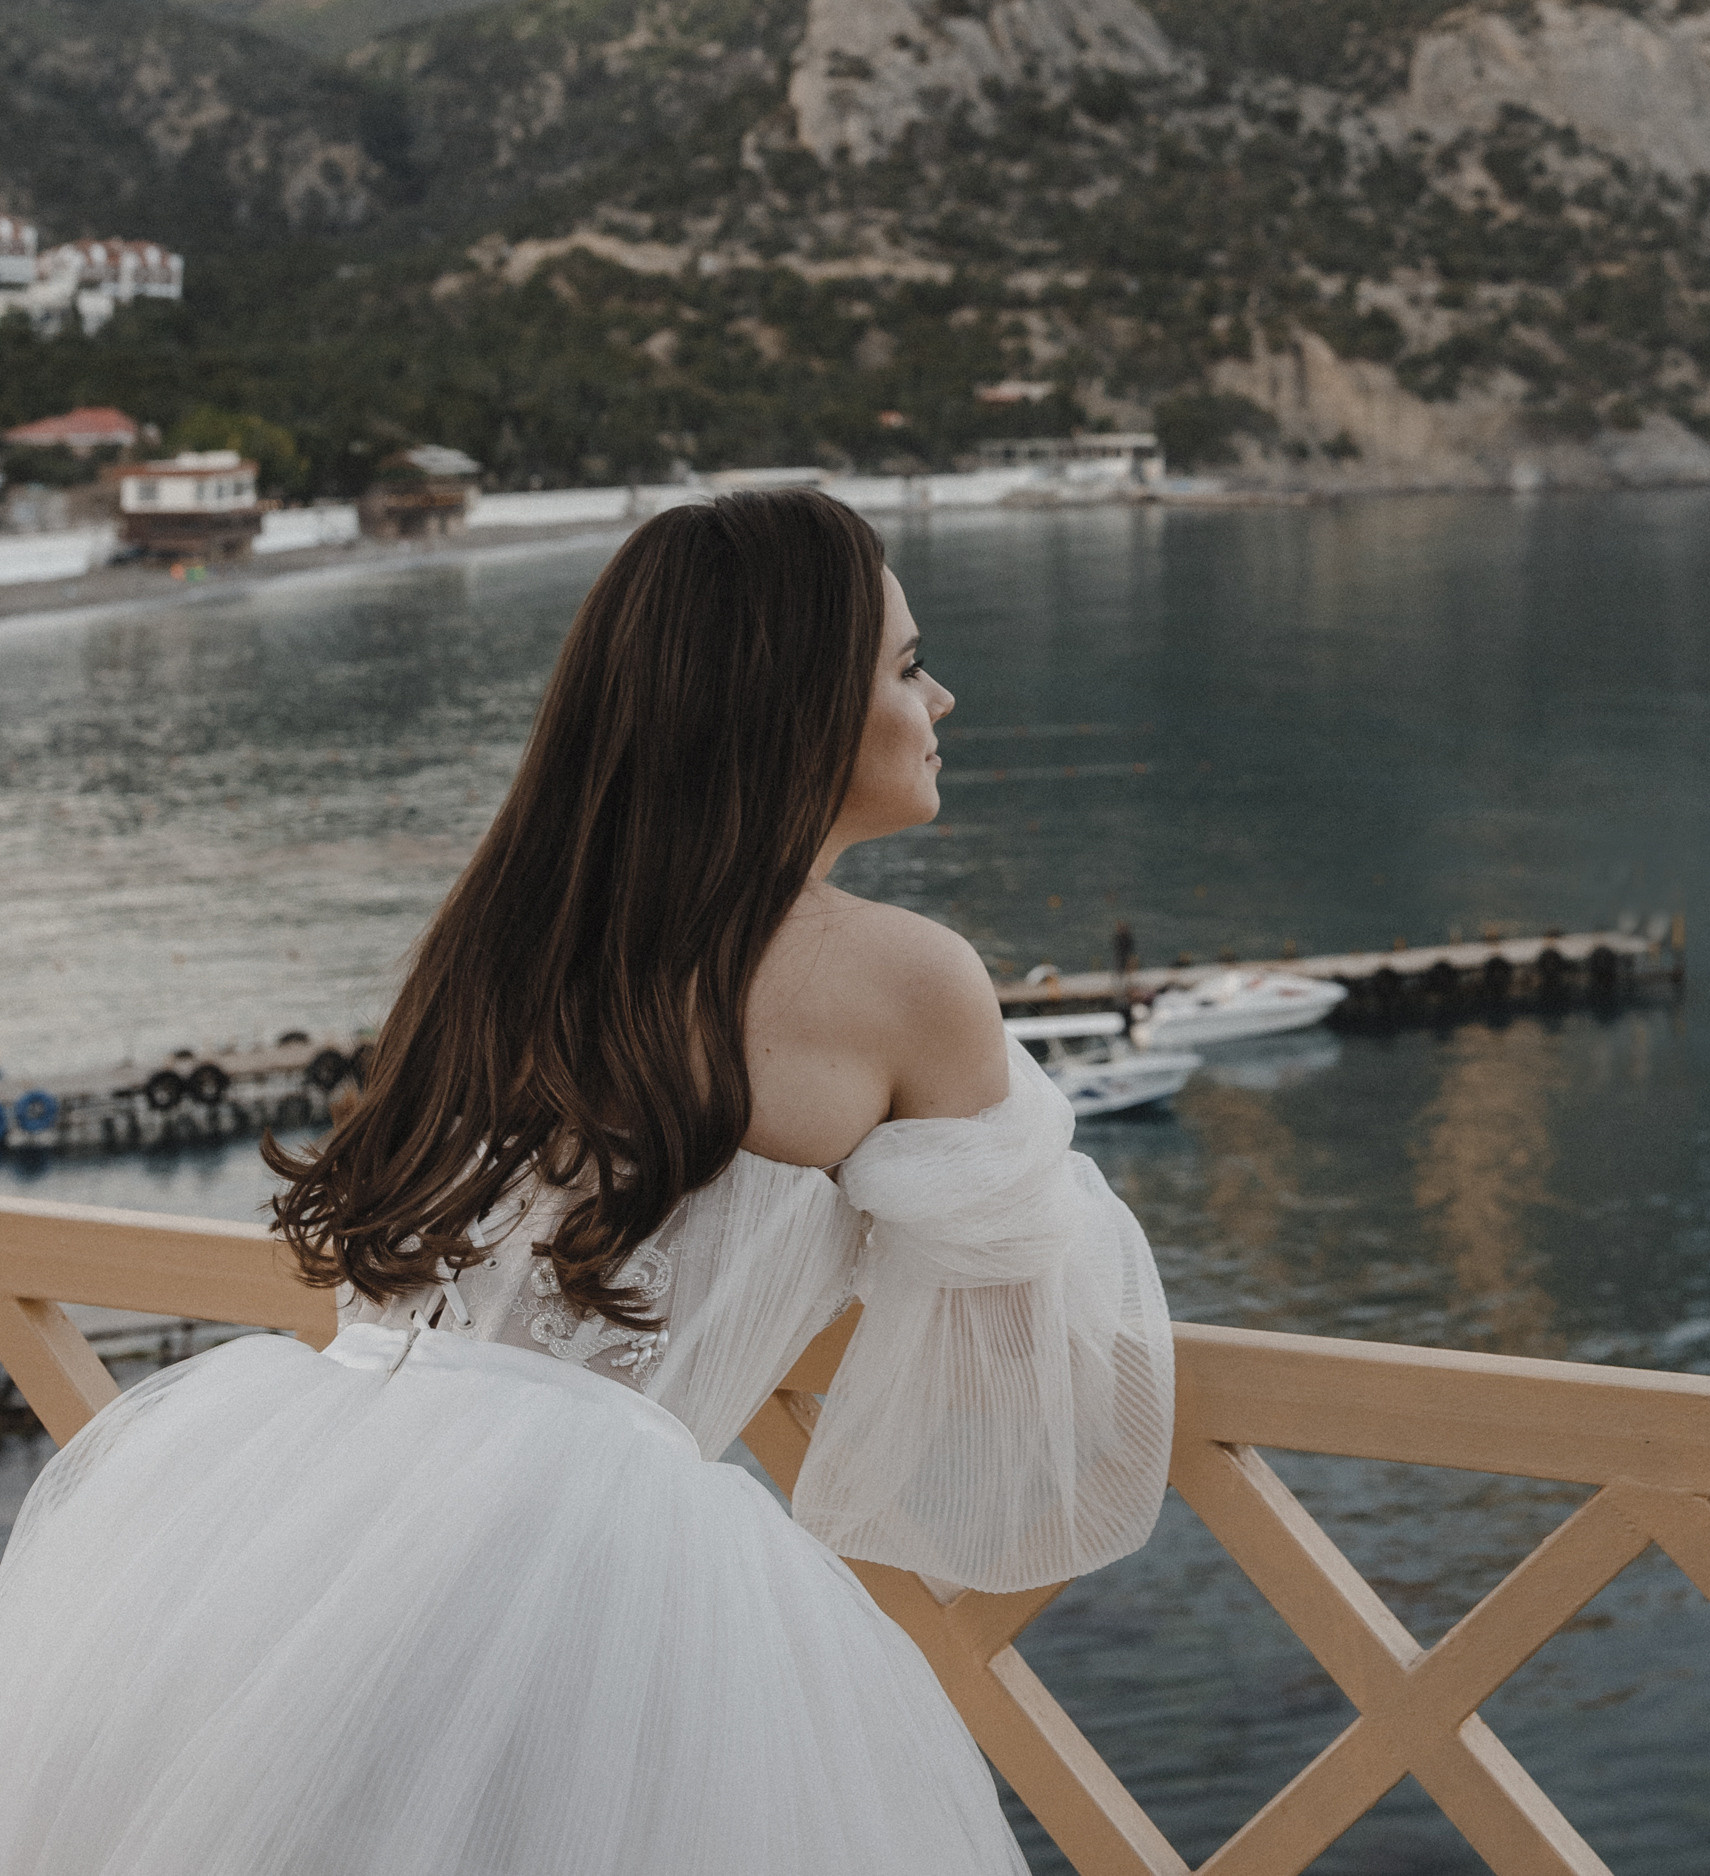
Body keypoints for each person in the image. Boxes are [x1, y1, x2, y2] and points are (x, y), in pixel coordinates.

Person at [0, 491, 1173, 1875]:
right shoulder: (905, 977)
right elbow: (1026, 1348)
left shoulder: (515, 927)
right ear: (790, 707)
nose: (944, 698)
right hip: (585, 1547)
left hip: (316, 1487)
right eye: (907, 668)